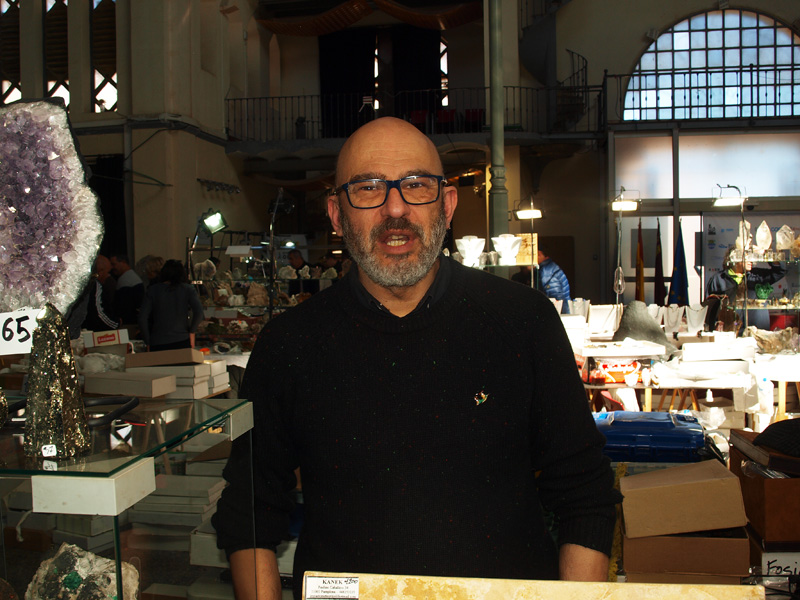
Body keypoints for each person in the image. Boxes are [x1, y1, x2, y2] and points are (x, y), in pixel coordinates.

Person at [212, 117, 621, 600]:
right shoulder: (289, 345)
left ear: (446, 206)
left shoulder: (522, 322)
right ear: (337, 215)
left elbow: (585, 496)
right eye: (367, 188)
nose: (395, 208)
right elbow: (251, 515)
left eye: (416, 186)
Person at [706, 247, 786, 331]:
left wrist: (766, 254)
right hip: (730, 331)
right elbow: (710, 308)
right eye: (747, 257)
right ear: (734, 258)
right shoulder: (719, 279)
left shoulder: (756, 275)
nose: (750, 260)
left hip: (757, 332)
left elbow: (781, 271)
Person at [138, 259, 205, 351]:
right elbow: (199, 312)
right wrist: (192, 331)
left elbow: (142, 318)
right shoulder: (188, 289)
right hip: (182, 340)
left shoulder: (153, 290)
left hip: (158, 341)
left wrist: (147, 341)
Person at [81, 254, 119, 332]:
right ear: (100, 271)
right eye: (107, 272)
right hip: (88, 332)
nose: (108, 275)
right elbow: (99, 313)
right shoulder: (95, 285)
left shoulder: (80, 282)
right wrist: (115, 323)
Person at [110, 254, 145, 325]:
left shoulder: (127, 280)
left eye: (114, 264)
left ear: (123, 262)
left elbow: (124, 306)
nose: (112, 267)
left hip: (129, 323)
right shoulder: (130, 278)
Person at [536, 246, 571, 313]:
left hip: (559, 313)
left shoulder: (547, 272)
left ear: (539, 254)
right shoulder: (550, 268)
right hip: (563, 310)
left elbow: (556, 298)